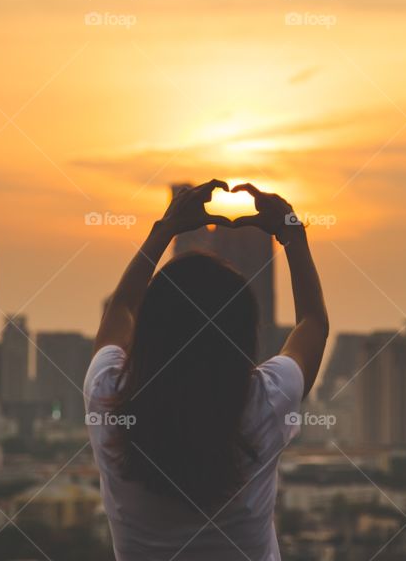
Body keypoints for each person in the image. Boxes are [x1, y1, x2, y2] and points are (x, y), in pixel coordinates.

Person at [84, 179, 329, 561]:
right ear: (245, 336)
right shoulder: (265, 401)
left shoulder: (111, 401)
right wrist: (292, 233)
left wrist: (164, 230)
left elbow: (119, 312)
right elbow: (312, 323)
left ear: (149, 329)